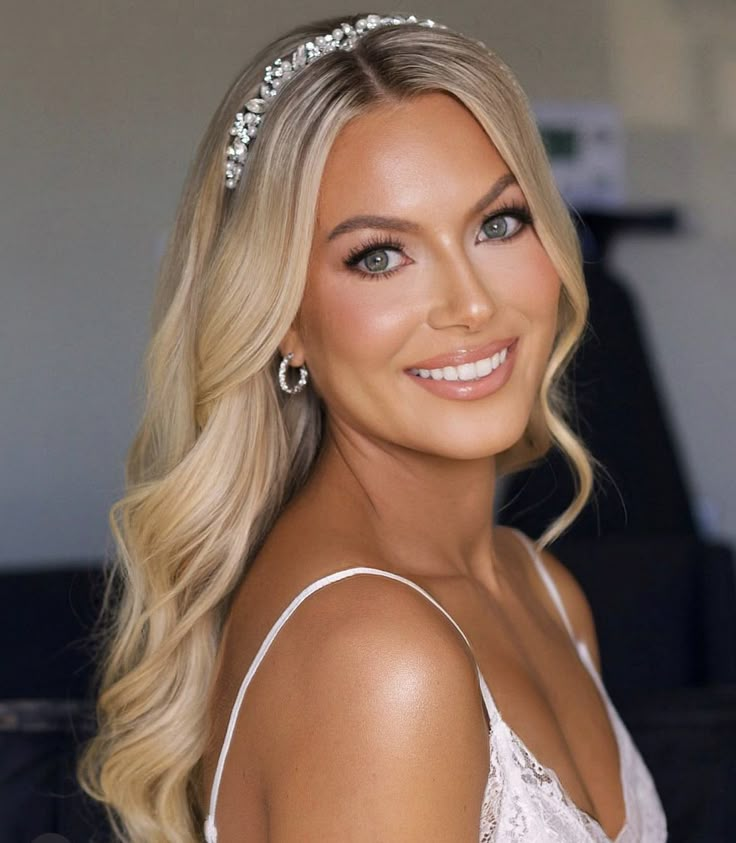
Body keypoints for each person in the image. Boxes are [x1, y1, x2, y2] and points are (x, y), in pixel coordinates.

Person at [78, 12, 668, 843]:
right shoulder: (379, 661)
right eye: (380, 255)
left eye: (498, 223)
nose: (471, 304)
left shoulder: (541, 590)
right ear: (282, 316)